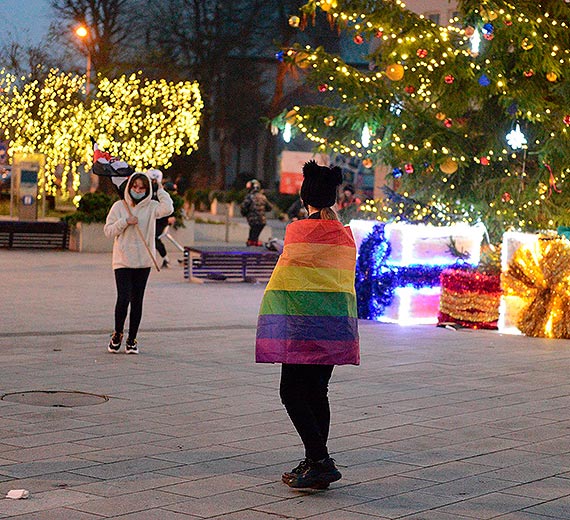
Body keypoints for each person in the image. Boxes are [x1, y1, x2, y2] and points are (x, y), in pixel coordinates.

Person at [255, 160, 360, 489]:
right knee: (318, 392)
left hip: (301, 328)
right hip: (332, 328)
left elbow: (289, 279)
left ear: (305, 199)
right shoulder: (344, 236)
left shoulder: (299, 232)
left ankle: (319, 460)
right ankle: (316, 461)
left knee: (290, 392)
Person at [104, 171, 174, 354]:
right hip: (123, 260)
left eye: (142, 188)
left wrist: (159, 189)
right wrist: (125, 222)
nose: (138, 190)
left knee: (137, 300)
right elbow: (108, 231)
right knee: (123, 298)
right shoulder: (119, 206)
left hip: (143, 261)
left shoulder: (151, 207)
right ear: (129, 186)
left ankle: (132, 339)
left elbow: (168, 209)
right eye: (135, 187)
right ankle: (118, 333)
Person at [149, 169, 176, 268]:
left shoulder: (162, 190)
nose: (153, 182)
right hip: (152, 219)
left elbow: (169, 203)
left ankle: (165, 259)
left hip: (162, 220)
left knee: (155, 238)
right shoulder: (148, 190)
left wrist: (172, 216)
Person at [240, 179, 272, 247]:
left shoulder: (249, 197)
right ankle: (254, 243)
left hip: (253, 220)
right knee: (255, 236)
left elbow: (243, 207)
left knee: (252, 237)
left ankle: (251, 247)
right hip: (262, 221)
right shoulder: (263, 197)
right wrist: (262, 209)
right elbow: (269, 207)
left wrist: (244, 213)